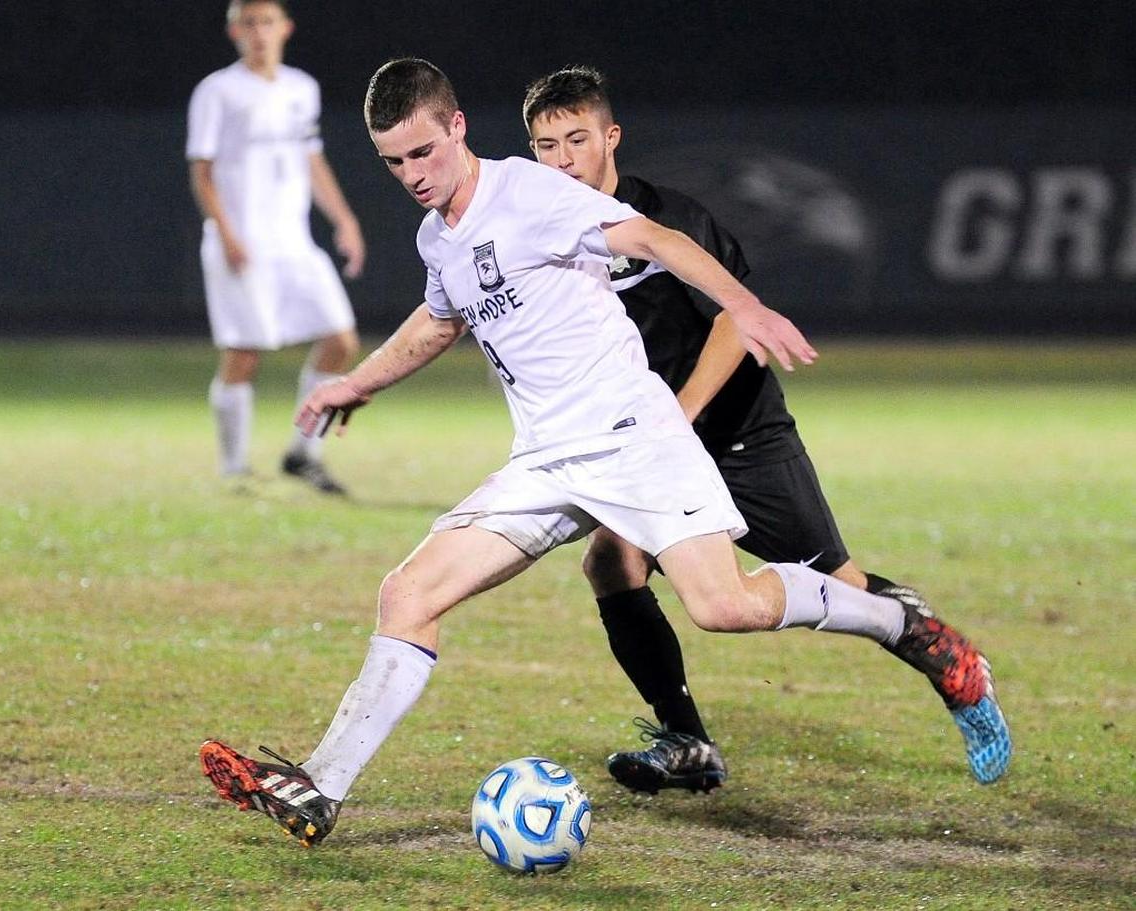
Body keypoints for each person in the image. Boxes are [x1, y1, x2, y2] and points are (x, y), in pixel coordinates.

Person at [199, 58, 1010, 849]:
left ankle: (899, 622)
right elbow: (439, 319)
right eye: (392, 161)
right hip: (548, 459)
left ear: (457, 126)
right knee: (408, 593)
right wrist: (360, 382)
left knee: (722, 606)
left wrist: (745, 303)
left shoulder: (528, 191)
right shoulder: (437, 235)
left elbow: (651, 234)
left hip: (632, 437)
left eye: (423, 151)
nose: (411, 173)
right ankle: (320, 785)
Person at [521, 66, 1004, 795]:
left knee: (836, 580)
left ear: (611, 138)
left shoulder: (666, 219)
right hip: (648, 449)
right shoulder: (545, 235)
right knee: (610, 562)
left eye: (576, 140)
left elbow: (736, 323)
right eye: (545, 145)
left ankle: (952, 666)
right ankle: (687, 742)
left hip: (737, 431)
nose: (561, 161)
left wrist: (677, 416)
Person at [186, 0, 365, 495]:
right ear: (233, 31)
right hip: (242, 242)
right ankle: (233, 468)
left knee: (341, 340)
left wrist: (345, 219)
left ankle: (303, 453)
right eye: (248, 23)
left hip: (295, 243)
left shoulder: (301, 88)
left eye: (267, 22)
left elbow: (312, 160)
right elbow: (201, 170)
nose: (258, 32)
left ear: (285, 28)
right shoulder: (218, 91)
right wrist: (226, 233)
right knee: (244, 353)